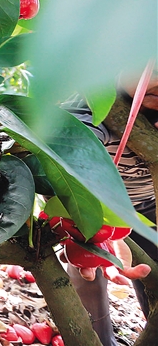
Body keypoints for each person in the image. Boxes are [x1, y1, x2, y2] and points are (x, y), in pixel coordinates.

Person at [64, 77, 158, 346]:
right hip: (96, 205)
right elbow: (67, 151)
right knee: (90, 264)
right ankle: (98, 337)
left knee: (150, 269)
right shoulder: (92, 105)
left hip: (148, 205)